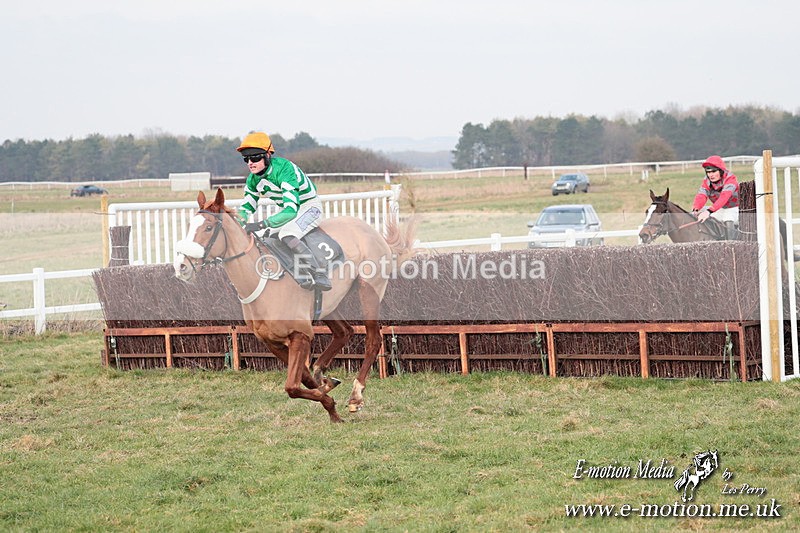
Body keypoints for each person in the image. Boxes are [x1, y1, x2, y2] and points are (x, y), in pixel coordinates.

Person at [236, 131, 331, 291]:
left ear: (267, 155)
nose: (250, 163)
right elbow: (246, 207)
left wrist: (261, 223)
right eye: (246, 159)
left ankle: (319, 273)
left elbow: (291, 211)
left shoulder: (285, 169)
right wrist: (237, 223)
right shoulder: (252, 179)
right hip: (288, 210)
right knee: (266, 237)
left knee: (287, 234)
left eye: (255, 158)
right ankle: (298, 273)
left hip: (309, 207)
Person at [691, 155, 739, 239]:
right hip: (721, 208)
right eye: (708, 172)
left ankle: (732, 245)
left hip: (735, 208)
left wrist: (709, 211)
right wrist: (696, 209)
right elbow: (701, 195)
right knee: (699, 212)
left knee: (728, 217)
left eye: (713, 171)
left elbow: (724, 197)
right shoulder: (707, 181)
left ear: (721, 171)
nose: (710, 175)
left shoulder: (730, 179)